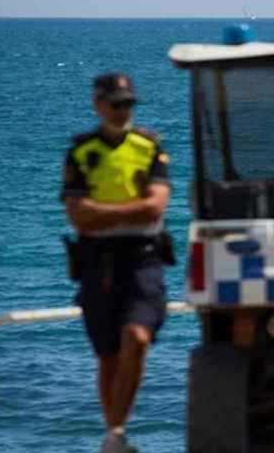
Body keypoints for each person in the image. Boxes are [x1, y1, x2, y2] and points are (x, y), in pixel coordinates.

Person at [61, 73, 171, 453]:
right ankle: (115, 437)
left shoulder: (149, 147)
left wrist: (100, 211)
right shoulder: (81, 152)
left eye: (129, 104)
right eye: (116, 104)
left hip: (143, 260)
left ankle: (116, 432)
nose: (123, 111)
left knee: (137, 338)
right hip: (98, 263)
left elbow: (155, 207)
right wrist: (132, 209)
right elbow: (77, 217)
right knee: (107, 356)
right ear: (99, 105)